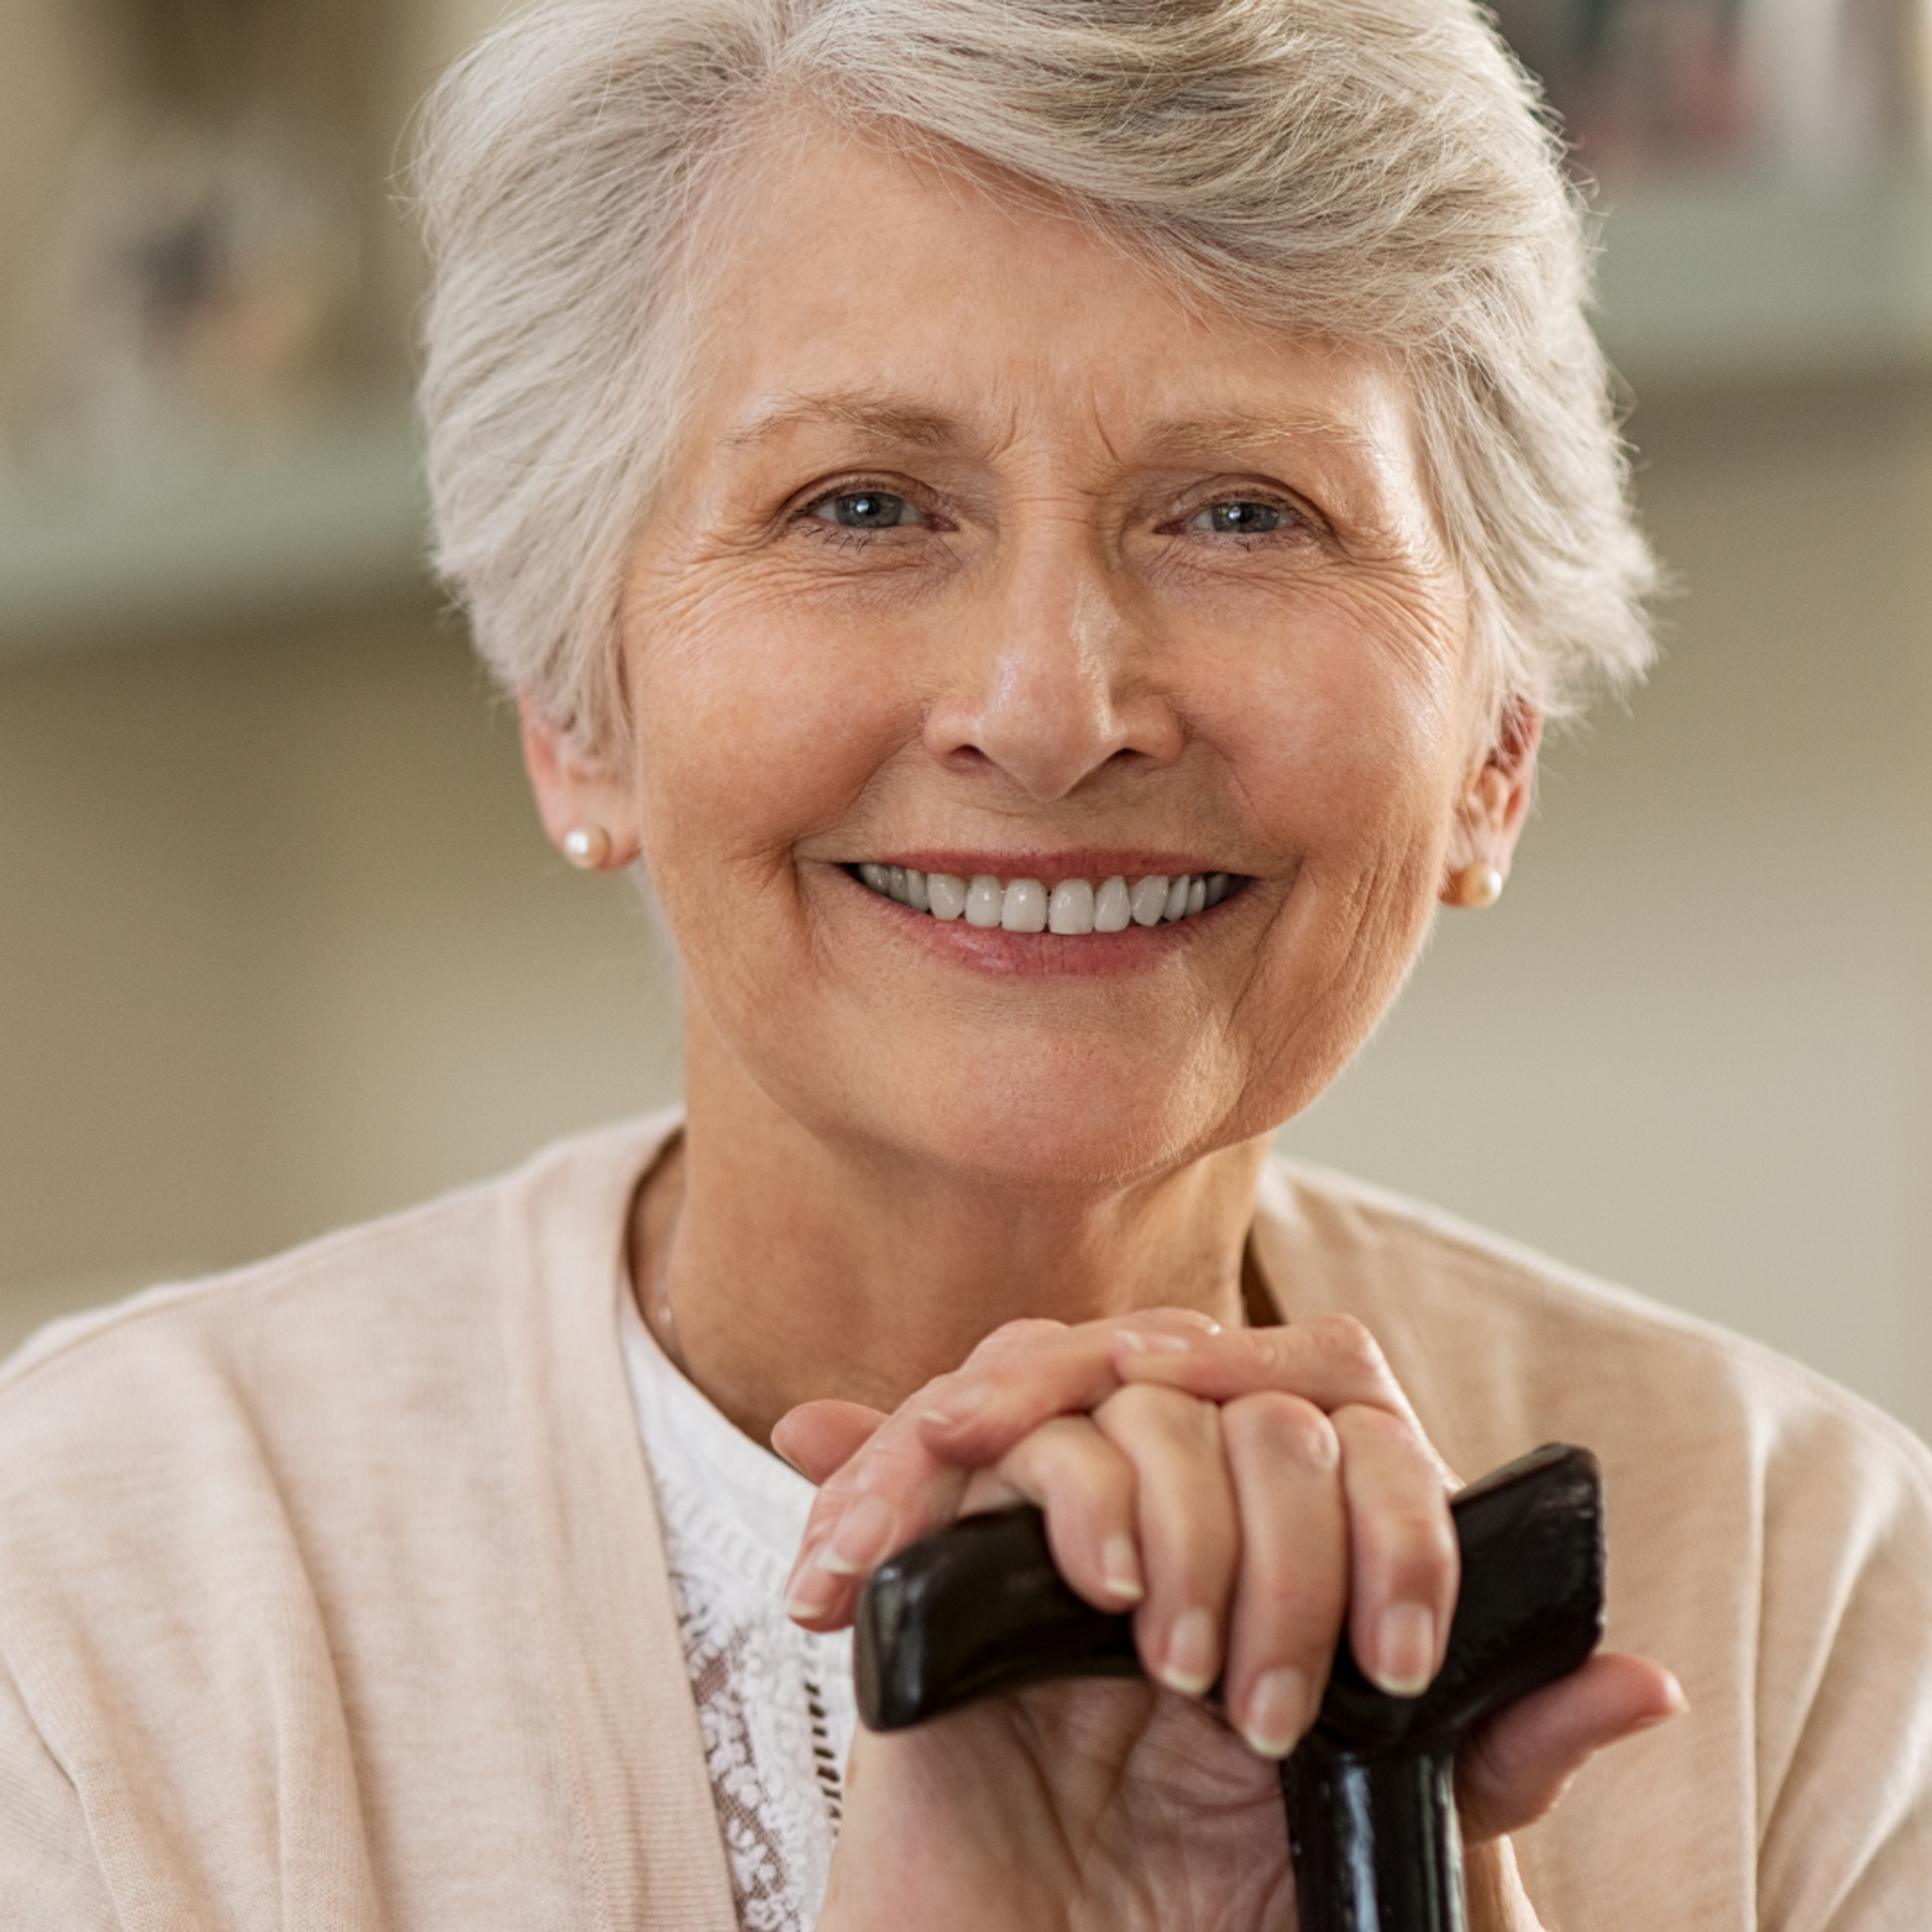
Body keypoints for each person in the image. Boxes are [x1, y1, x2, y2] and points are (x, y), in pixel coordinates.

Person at [4, 1, 1929, 1926]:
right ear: (576, 707)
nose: (1050, 707)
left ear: (1495, 753)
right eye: (862, 507)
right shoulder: (82, 1589)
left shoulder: (1814, 1589)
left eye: (1245, 512)